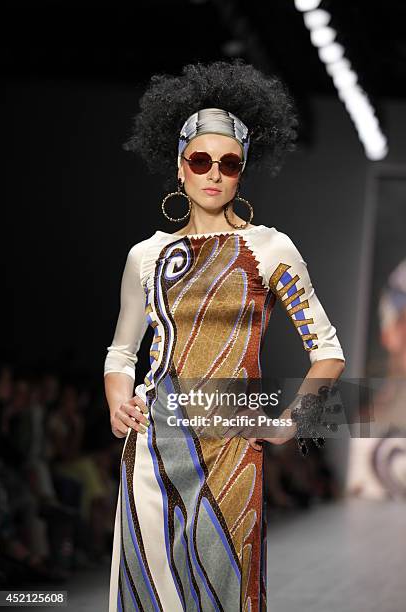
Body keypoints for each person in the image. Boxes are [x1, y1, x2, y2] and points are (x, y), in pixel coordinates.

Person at [104, 60, 346, 612]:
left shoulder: (270, 249)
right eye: (201, 160)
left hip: (234, 446)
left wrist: (291, 424)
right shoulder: (146, 256)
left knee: (225, 595)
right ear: (180, 167)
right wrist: (118, 400)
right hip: (152, 447)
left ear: (243, 170)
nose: (214, 173)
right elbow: (122, 352)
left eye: (229, 163)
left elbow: (328, 351)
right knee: (150, 591)